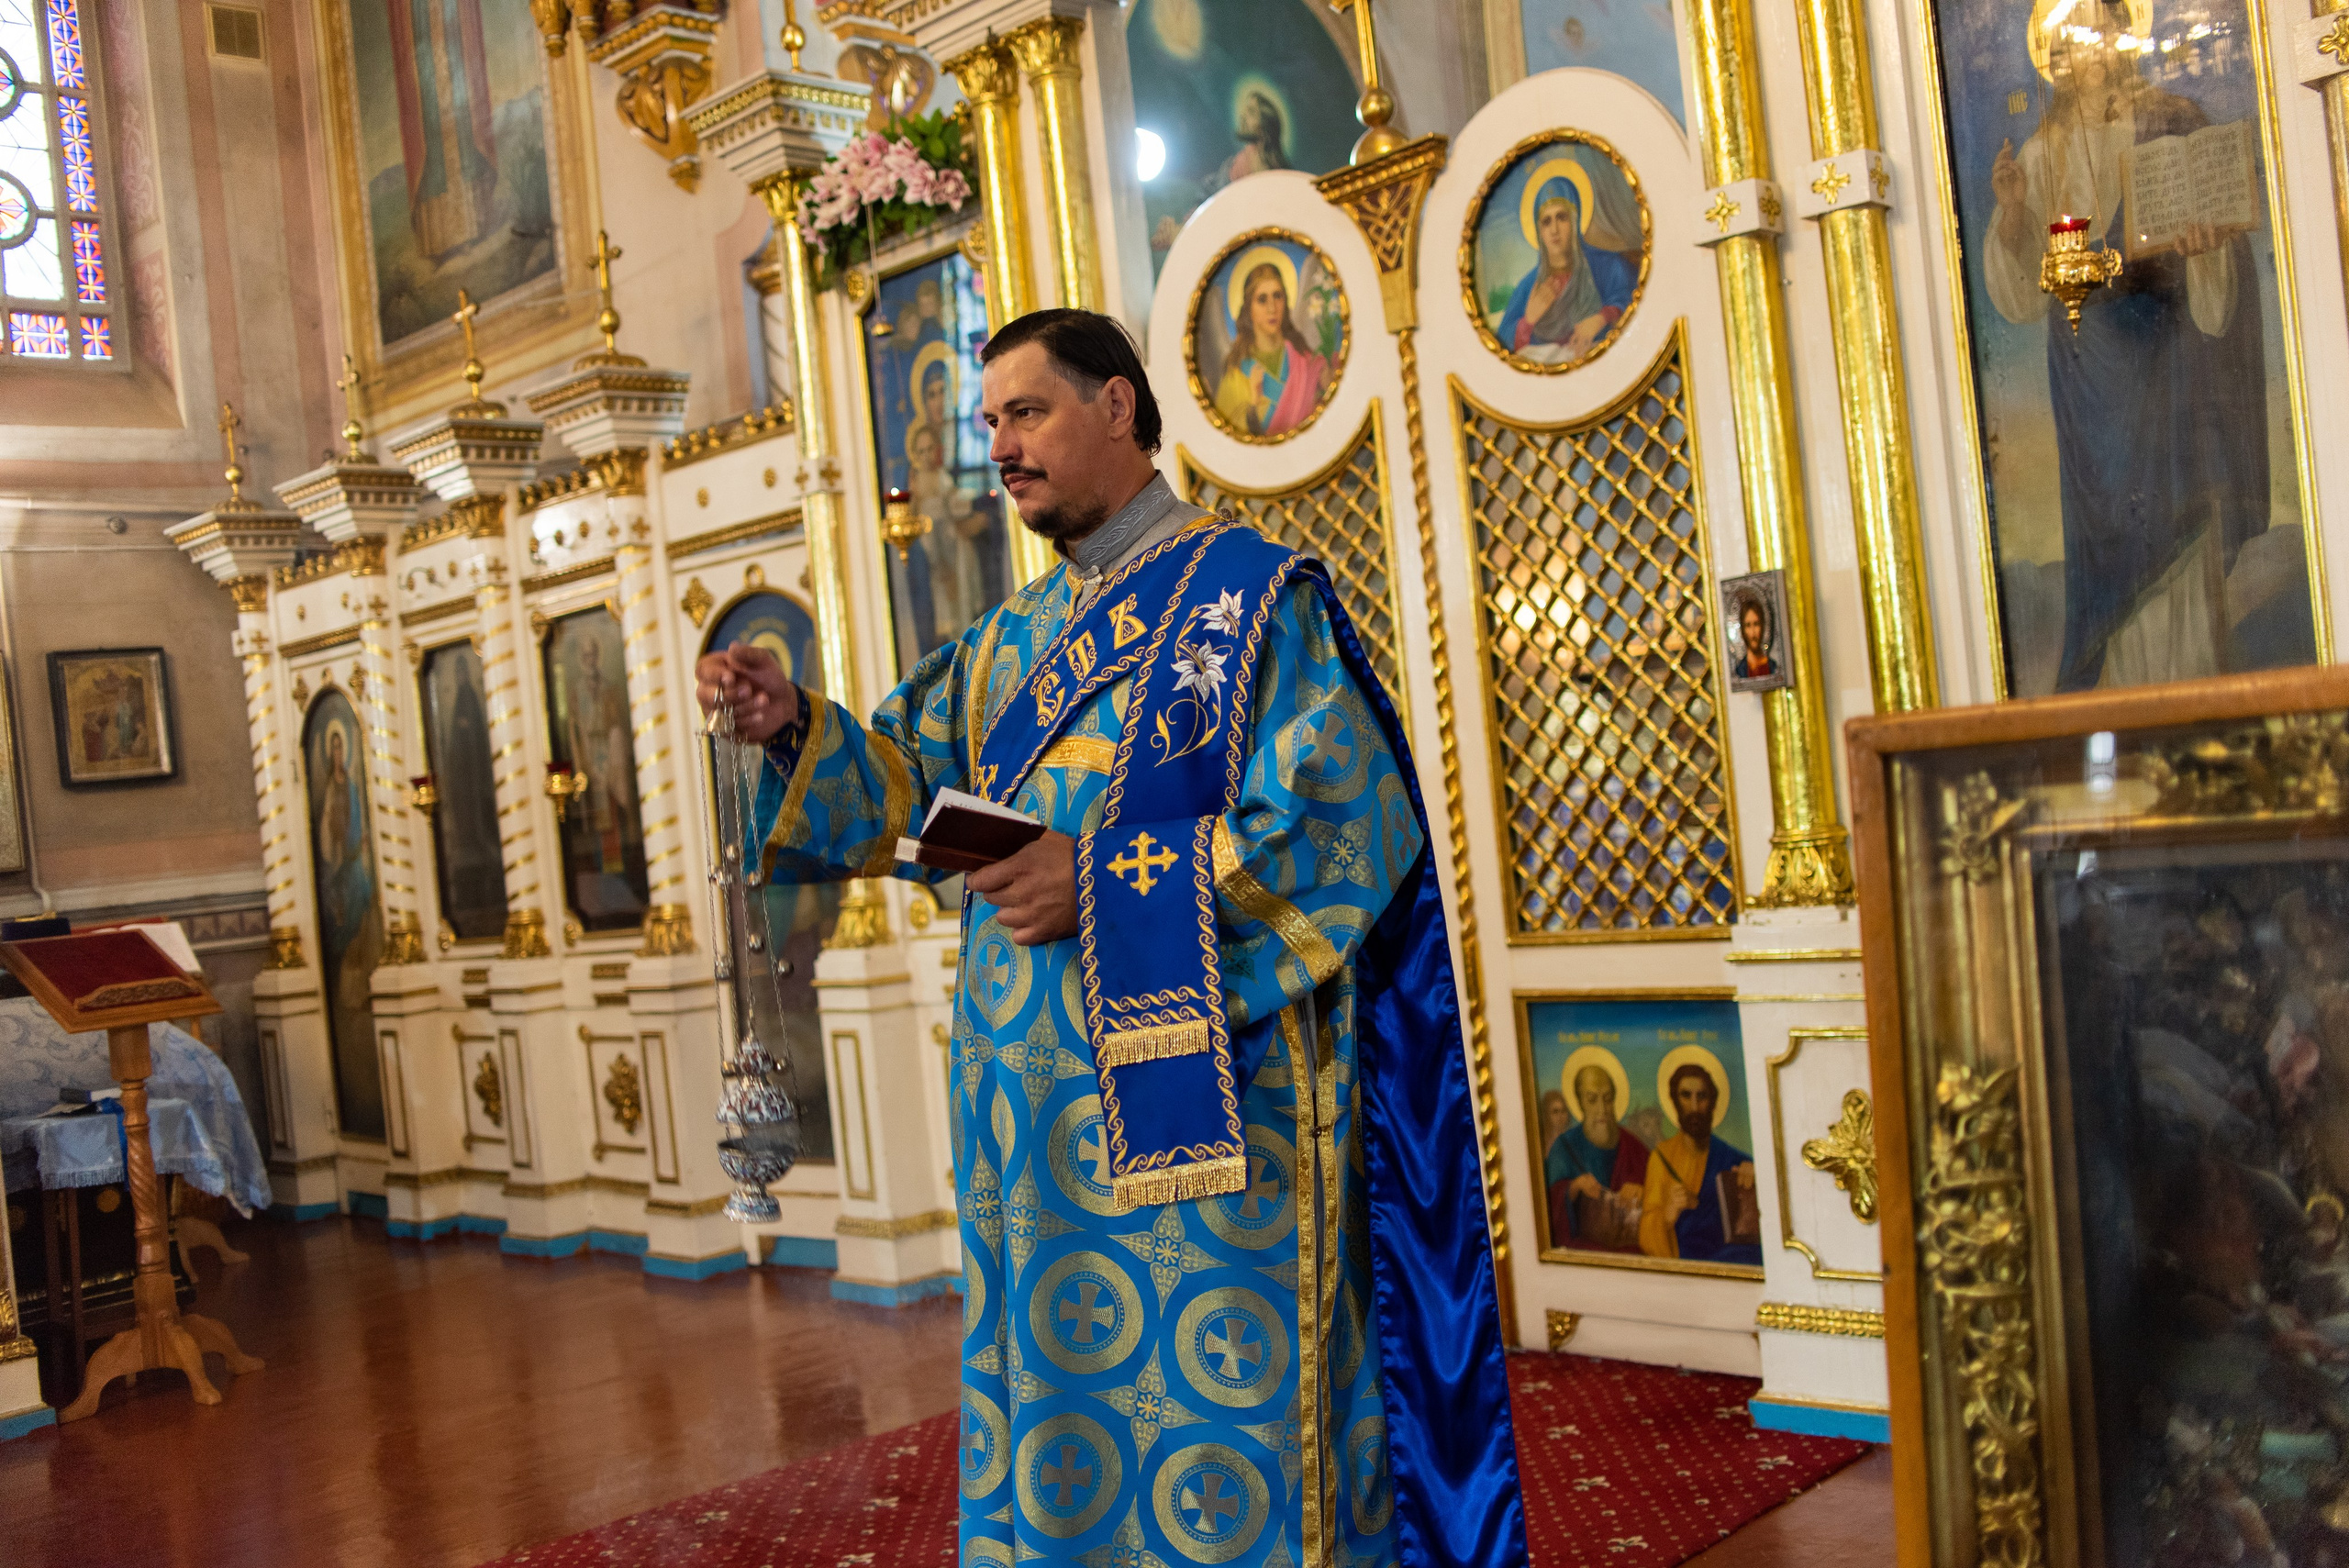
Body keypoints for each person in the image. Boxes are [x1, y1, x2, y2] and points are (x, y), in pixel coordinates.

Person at [697, 309, 1524, 1567]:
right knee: (1061, 1419)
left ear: (1118, 408)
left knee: (1229, 1433)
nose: (1002, 450)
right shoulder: (1008, 644)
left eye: (1025, 414)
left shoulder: (1251, 602)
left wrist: (1102, 884)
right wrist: (792, 723)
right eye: (990, 426)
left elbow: (1345, 821)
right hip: (1028, 1143)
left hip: (1211, 1130)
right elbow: (903, 796)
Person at [1980, 0, 2269, 690]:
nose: (2096, 47)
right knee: (2112, 545)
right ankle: (2128, 712)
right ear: (2056, 59)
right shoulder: (2043, 154)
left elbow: (2218, 274)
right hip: (2089, 378)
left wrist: (2205, 252)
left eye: (2107, 30)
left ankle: (2195, 705)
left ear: (2124, 37)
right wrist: (2015, 216)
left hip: (2168, 364)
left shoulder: (2173, 120)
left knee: (2179, 522)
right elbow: (2023, 298)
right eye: (2078, 39)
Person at [1494, 173, 1638, 365]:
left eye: (1561, 217)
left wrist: (1602, 318)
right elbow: (1501, 343)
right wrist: (1527, 321)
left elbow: (1632, 299)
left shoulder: (1608, 265)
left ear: (1575, 220)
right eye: (1546, 222)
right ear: (1539, 231)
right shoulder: (1529, 286)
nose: (1554, 230)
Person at [1639, 1062, 1761, 1265]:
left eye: (1702, 1096)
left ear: (1712, 1102)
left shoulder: (1734, 1159)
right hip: (1687, 1272)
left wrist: (1757, 1181)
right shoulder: (1661, 1158)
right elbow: (1646, 1232)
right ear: (1675, 1101)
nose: (1694, 1107)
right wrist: (1667, 1216)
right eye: (1686, 1096)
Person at [1211, 261, 1328, 439]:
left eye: (1277, 296)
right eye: (1262, 299)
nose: (1272, 308)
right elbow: (1223, 438)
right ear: (1249, 308)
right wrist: (1252, 406)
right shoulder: (1236, 372)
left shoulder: (1304, 360)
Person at [1545, 1064, 1648, 1251]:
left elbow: (1658, 1196)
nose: (1602, 1109)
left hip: (1631, 1254)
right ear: (1580, 1102)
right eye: (1592, 1099)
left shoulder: (1634, 1147)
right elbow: (1547, 1205)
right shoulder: (1563, 1148)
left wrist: (1642, 1191)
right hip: (1583, 1253)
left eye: (1607, 1099)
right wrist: (1574, 1188)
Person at [1733, 595, 1777, 682]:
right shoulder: (1739, 671)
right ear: (1743, 630)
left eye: (1756, 624)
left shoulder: (1773, 667)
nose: (1753, 633)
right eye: (1748, 625)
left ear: (1762, 626)